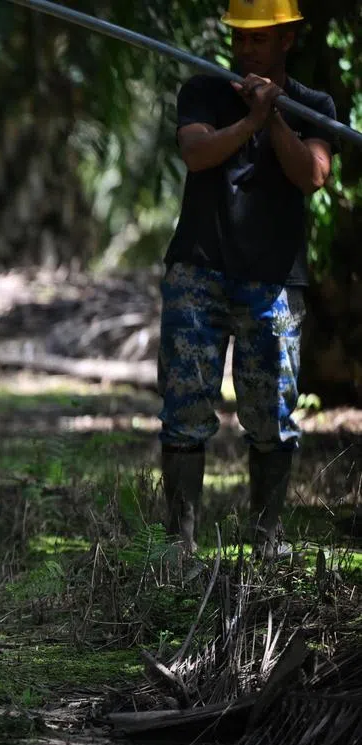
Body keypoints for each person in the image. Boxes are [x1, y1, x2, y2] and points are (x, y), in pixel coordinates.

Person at [159, 0, 337, 559]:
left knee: (271, 415)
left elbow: (312, 174)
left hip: (274, 285)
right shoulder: (205, 92)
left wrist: (275, 116)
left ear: (287, 38)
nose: (246, 49)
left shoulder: (315, 106)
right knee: (185, 409)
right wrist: (250, 121)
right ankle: (180, 546)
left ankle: (267, 541)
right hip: (199, 273)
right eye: (240, 38)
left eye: (259, 39)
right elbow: (196, 152)